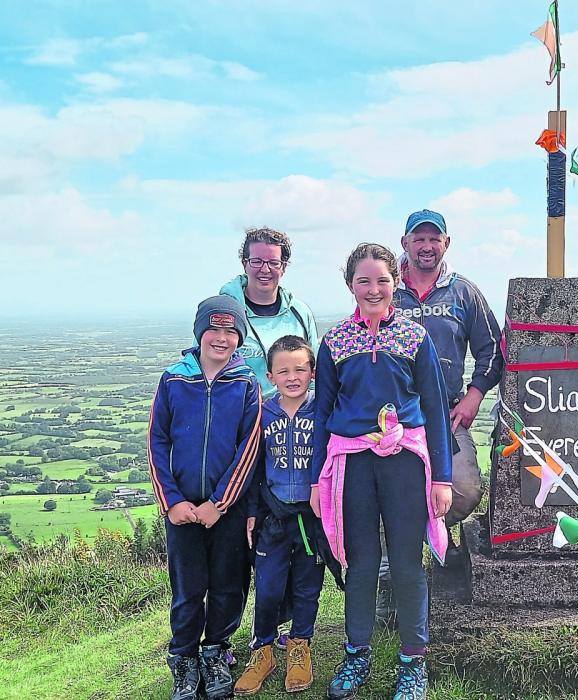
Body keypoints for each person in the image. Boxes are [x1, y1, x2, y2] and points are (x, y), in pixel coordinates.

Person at [310, 243, 453, 700]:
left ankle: (413, 661)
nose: (373, 290)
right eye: (363, 281)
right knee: (361, 563)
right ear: (350, 285)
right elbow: (322, 411)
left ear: (396, 282)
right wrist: (317, 479)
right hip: (351, 463)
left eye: (382, 280)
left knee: (410, 562)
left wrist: (442, 477)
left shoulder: (415, 338)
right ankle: (357, 654)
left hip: (406, 462)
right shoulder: (334, 341)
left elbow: (433, 407)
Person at [148, 294, 263, 700]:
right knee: (188, 588)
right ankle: (183, 659)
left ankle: (216, 652)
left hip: (225, 510)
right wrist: (172, 501)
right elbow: (156, 441)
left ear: (239, 338)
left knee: (230, 585)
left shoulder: (246, 383)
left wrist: (220, 503)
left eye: (230, 331)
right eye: (213, 329)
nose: (221, 337)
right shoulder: (174, 379)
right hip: (180, 509)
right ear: (199, 332)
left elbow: (249, 449)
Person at [234, 335, 340, 696]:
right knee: (268, 587)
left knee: (308, 587)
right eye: (283, 371)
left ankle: (299, 646)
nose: (292, 376)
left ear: (313, 372)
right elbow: (252, 467)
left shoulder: (323, 410)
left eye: (300, 369)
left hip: (312, 519)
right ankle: (263, 649)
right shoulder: (263, 412)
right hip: (273, 518)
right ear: (270, 375)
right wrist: (251, 512)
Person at [394, 209, 503, 535]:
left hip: (446, 412)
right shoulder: (387, 289)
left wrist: (475, 394)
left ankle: (422, 536)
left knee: (465, 490)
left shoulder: (463, 292)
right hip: (393, 414)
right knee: (385, 487)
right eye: (419, 239)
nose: (426, 246)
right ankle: (394, 554)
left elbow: (493, 349)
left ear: (447, 243)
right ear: (405, 242)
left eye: (434, 239)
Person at [221, 227, 319, 397]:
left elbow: (316, 373)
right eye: (257, 261)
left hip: (292, 417)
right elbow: (201, 365)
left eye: (273, 262)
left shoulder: (300, 313)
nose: (265, 270)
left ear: (283, 267)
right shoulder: (225, 312)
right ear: (245, 264)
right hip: (240, 418)